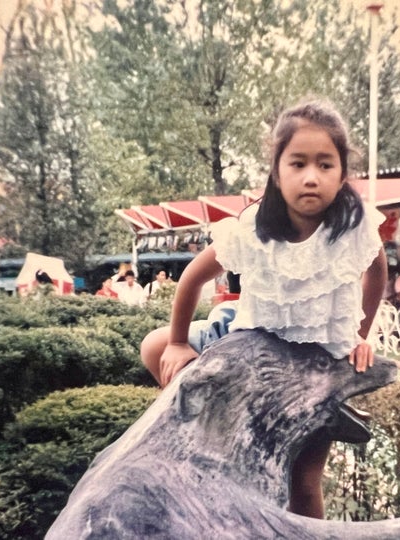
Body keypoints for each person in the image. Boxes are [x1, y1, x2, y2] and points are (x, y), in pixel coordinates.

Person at [140, 98, 387, 520]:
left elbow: (377, 274)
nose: (311, 177)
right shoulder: (253, 229)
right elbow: (192, 279)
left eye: (325, 164)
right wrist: (180, 342)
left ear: (343, 172)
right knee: (154, 346)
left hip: (314, 365)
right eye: (298, 163)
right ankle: (209, 431)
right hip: (247, 345)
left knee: (305, 484)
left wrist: (360, 336)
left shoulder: (354, 227)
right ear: (277, 170)